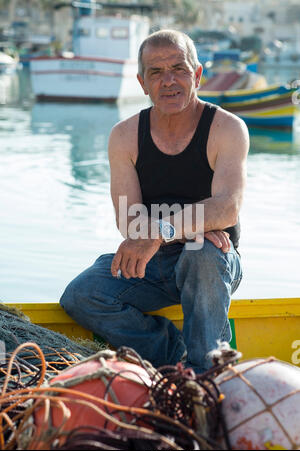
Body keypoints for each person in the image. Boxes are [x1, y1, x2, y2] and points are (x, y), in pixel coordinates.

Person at [60, 30, 249, 374]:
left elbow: (227, 207)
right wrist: (193, 225)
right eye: (156, 73)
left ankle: (205, 374)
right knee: (82, 295)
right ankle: (171, 353)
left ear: (198, 75)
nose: (169, 81)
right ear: (142, 82)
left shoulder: (227, 128)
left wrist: (165, 228)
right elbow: (129, 221)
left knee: (200, 254)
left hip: (212, 261)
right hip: (151, 260)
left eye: (179, 69)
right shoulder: (124, 135)